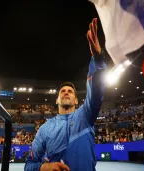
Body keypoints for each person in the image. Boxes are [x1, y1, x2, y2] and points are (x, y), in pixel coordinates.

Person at [25, 18, 106, 171]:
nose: (66, 92)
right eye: (62, 91)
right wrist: (44, 167)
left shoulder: (86, 116)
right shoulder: (45, 129)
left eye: (70, 91)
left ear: (76, 100)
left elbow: (97, 89)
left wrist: (98, 59)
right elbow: (29, 165)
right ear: (57, 100)